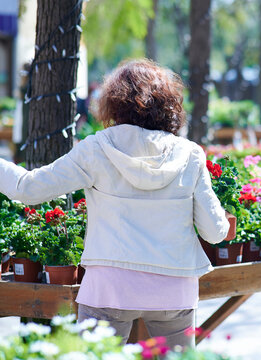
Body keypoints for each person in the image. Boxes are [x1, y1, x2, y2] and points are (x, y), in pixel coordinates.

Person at [0, 59, 230, 348]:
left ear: (114, 103)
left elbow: (28, 188)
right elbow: (215, 232)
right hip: (175, 288)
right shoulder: (190, 155)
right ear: (169, 103)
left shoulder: (97, 148)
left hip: (109, 288)